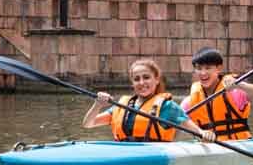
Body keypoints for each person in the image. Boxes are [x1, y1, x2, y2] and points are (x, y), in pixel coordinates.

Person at [83, 59, 216, 142]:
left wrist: (204, 133)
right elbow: (88, 124)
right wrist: (98, 104)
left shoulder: (167, 107)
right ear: (132, 83)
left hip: (154, 156)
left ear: (156, 80)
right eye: (137, 79)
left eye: (146, 77)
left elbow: (195, 129)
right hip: (124, 153)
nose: (141, 83)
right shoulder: (121, 106)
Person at [181, 47, 253, 140]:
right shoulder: (189, 102)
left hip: (239, 144)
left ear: (218, 68)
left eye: (208, 68)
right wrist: (200, 132)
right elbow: (179, 120)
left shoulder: (234, 93)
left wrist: (240, 85)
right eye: (199, 68)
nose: (203, 73)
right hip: (208, 147)